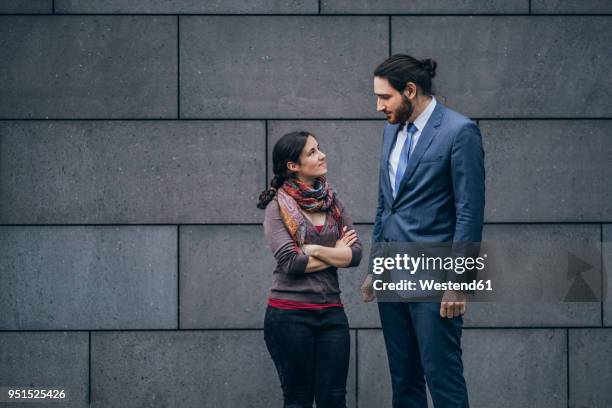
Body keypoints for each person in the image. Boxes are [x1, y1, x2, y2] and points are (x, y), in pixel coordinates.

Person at [361, 54, 485, 407]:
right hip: (392, 277)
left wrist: (460, 282)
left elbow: (469, 212)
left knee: (442, 380)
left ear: (410, 90)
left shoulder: (459, 131)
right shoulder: (389, 132)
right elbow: (386, 205)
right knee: (404, 383)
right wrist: (375, 267)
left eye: (385, 97)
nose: (378, 106)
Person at [257, 131, 363, 408]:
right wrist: (336, 251)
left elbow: (355, 255)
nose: (322, 155)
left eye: (320, 148)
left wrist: (314, 250)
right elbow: (291, 262)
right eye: (312, 152)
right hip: (289, 317)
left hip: (332, 315)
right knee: (298, 400)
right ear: (293, 166)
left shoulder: (333, 203)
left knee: (333, 399)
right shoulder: (276, 207)